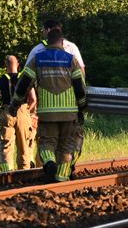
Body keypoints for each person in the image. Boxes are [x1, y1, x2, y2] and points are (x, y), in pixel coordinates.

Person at [10, 28, 87, 182]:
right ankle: (61, 179)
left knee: (46, 143)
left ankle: (50, 164)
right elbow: (80, 87)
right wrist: (82, 108)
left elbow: (23, 84)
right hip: (68, 113)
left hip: (47, 112)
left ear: (47, 42)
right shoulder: (71, 59)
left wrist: (15, 103)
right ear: (62, 42)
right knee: (66, 146)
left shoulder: (37, 59)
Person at [0, 55, 35, 172]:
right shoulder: (26, 78)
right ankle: (24, 174)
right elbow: (33, 99)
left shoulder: (1, 80)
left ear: (6, 66)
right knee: (24, 146)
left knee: (6, 146)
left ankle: (6, 173)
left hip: (6, 112)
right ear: (18, 64)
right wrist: (27, 111)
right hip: (23, 112)